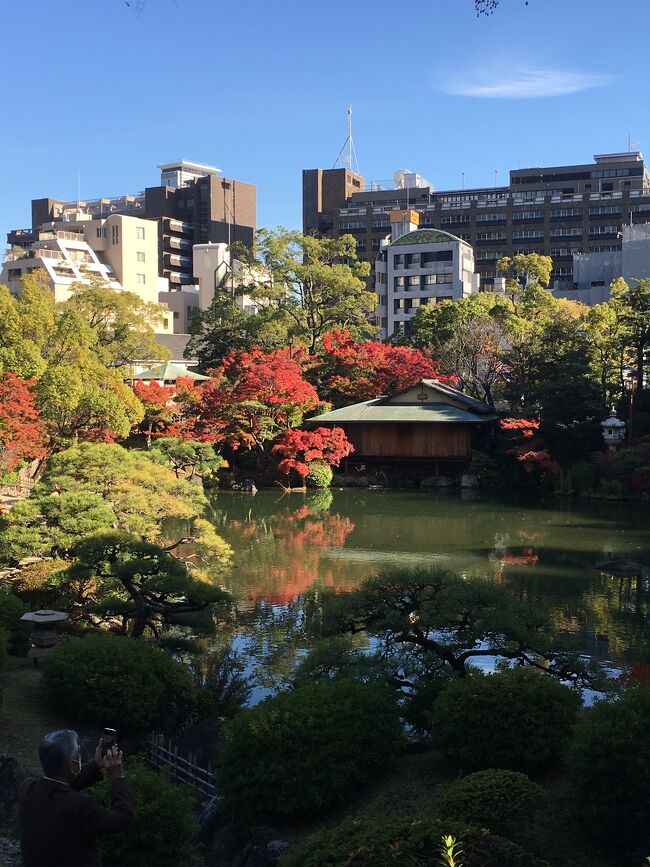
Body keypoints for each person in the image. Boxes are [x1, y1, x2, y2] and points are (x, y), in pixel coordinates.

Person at [18, 729, 133, 867]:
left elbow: (58, 785)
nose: (80, 757)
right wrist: (118, 777)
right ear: (73, 765)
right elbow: (124, 818)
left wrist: (95, 764)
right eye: (78, 754)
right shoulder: (82, 806)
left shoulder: (27, 789)